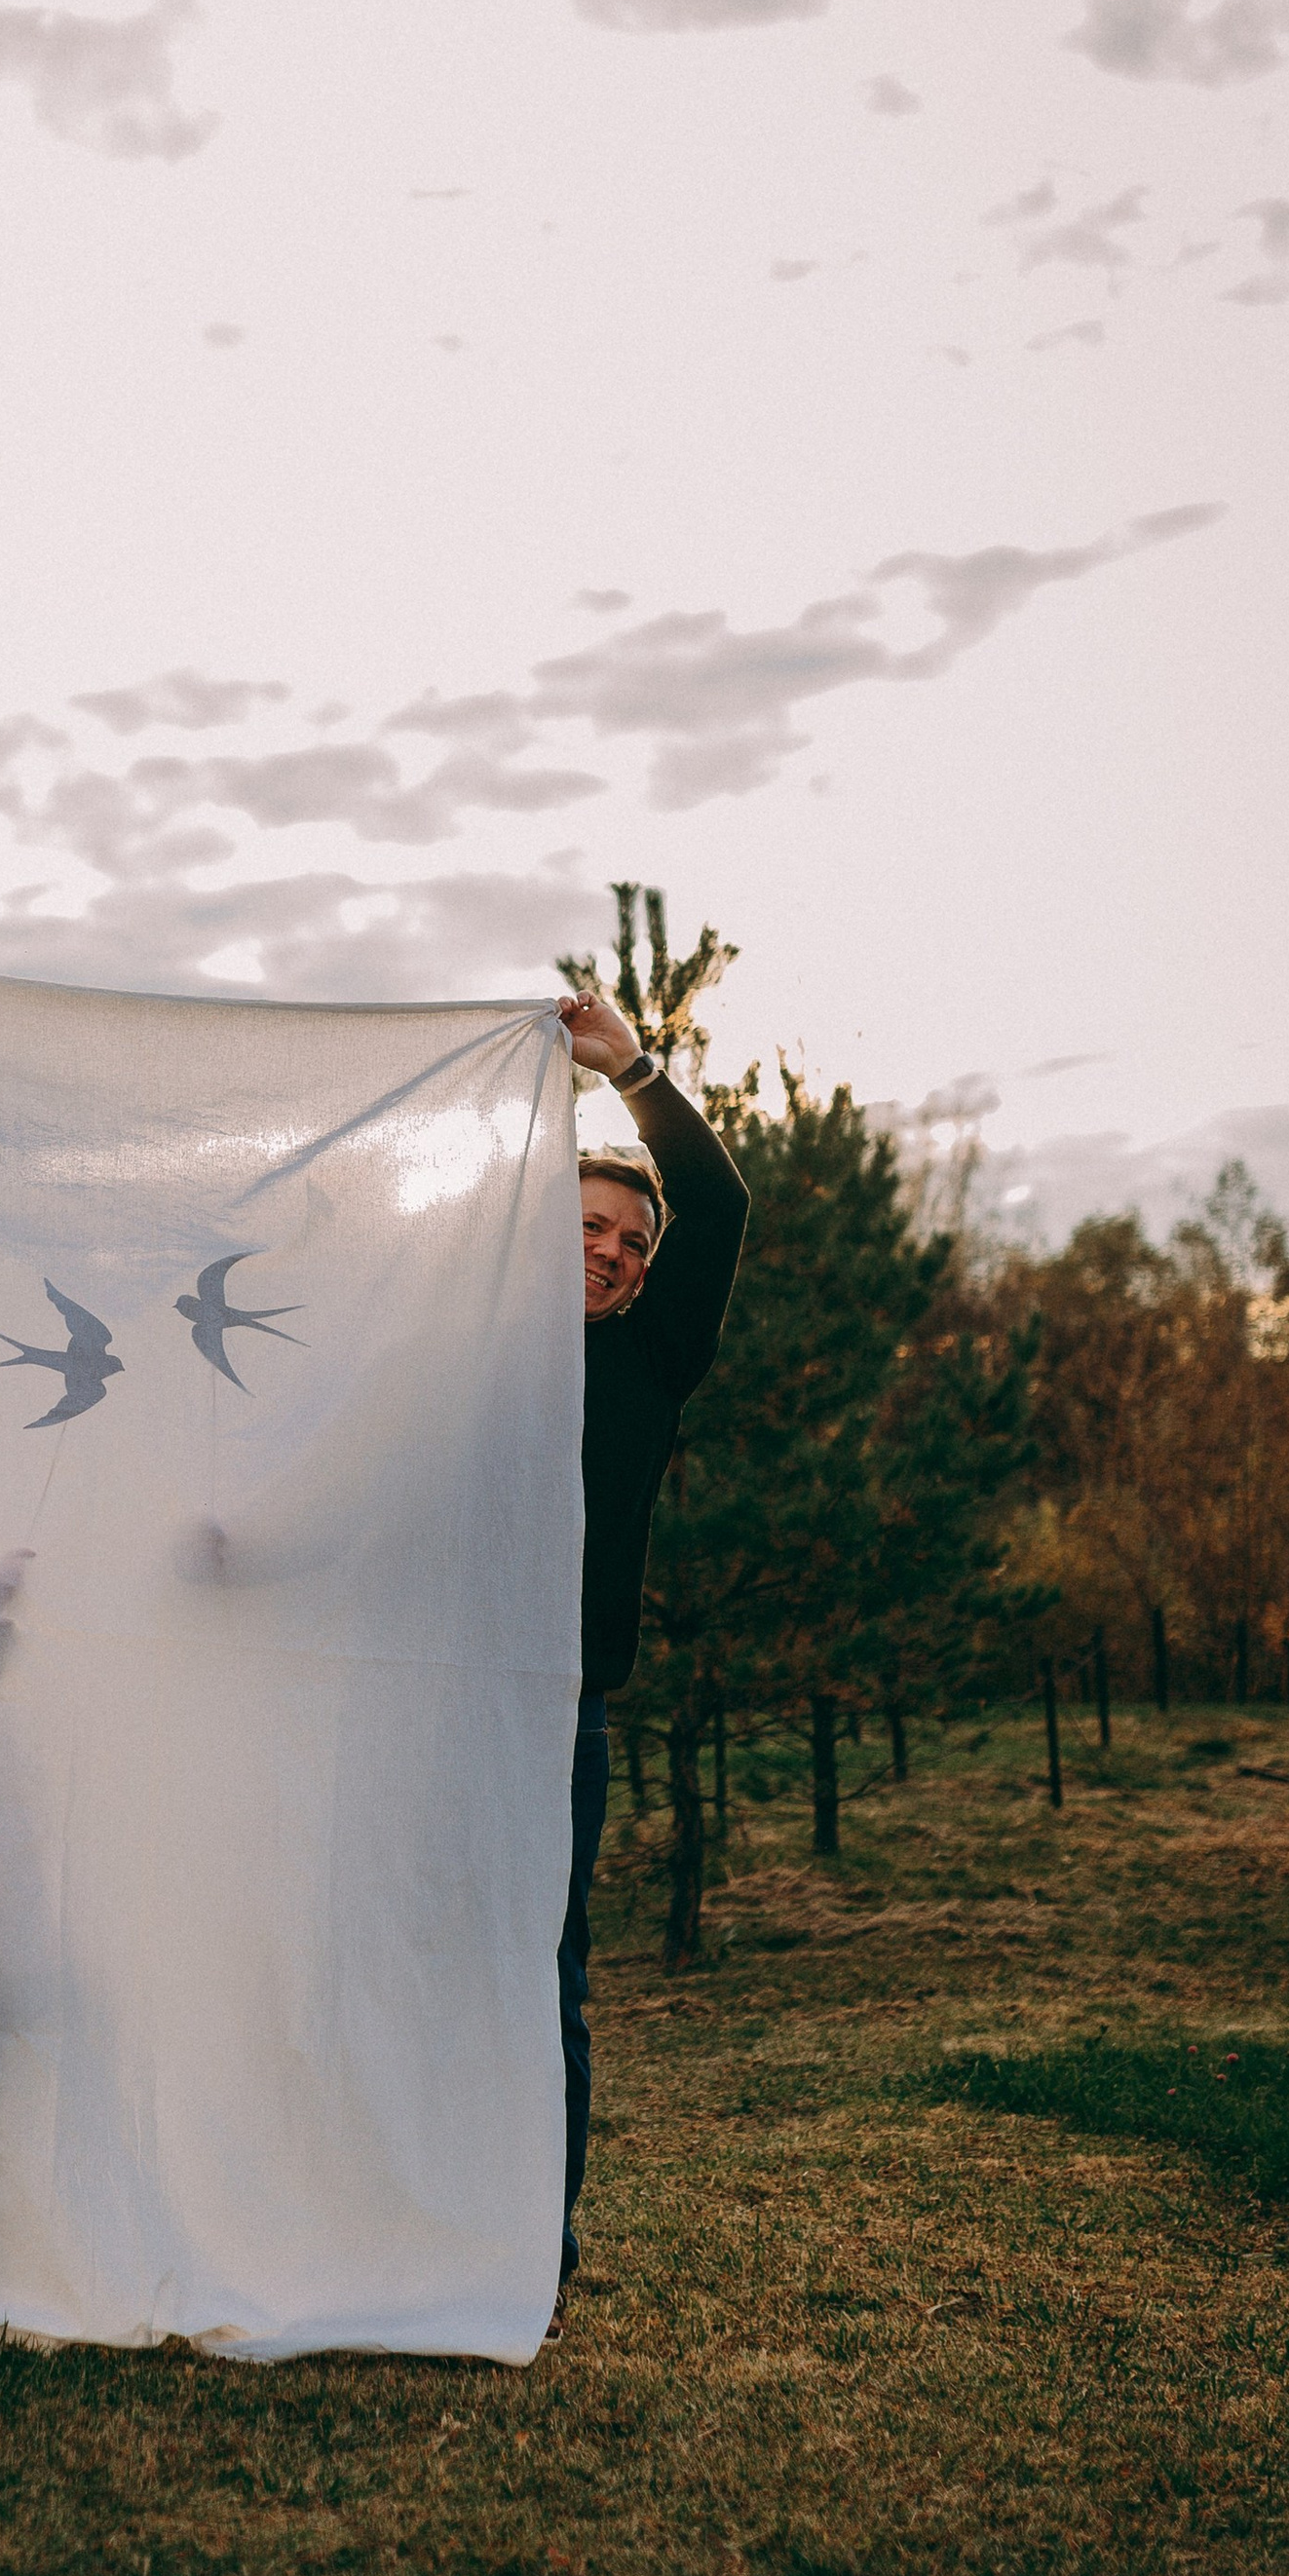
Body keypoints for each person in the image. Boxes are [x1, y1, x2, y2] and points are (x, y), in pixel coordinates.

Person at [550, 990, 749, 2319]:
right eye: (588, 1228)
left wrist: (633, 1071)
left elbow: (719, 1211)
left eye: (633, 1240)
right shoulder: (454, 1354)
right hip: (412, 1707)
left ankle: (529, 2266)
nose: (618, 1255)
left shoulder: (648, 1367)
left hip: (558, 1721)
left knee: (539, 1991)